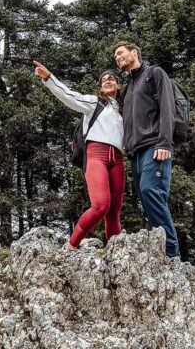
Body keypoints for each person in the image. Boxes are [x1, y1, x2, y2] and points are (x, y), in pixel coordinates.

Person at [33, 60, 125, 250]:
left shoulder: (124, 110)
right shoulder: (95, 103)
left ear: (118, 85)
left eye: (112, 79)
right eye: (104, 80)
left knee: (114, 212)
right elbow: (69, 96)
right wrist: (49, 79)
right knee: (100, 205)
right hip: (96, 155)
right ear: (100, 87)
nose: (108, 81)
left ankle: (115, 252)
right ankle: (71, 245)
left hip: (118, 159)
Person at [112, 41, 180, 258]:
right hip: (135, 153)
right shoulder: (129, 88)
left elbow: (168, 108)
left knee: (152, 191)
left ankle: (172, 254)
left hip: (155, 146)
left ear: (134, 53)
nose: (118, 57)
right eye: (115, 56)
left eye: (120, 53)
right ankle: (164, 251)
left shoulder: (154, 74)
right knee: (147, 198)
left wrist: (164, 142)